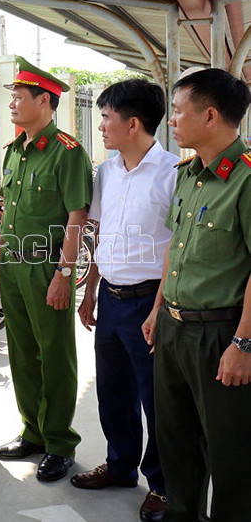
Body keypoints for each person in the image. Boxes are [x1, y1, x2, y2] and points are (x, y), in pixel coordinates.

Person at [141, 68, 251, 521]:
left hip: (222, 334)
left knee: (230, 452)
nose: (172, 121)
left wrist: (243, 343)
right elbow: (175, 246)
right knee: (176, 440)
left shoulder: (246, 178)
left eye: (179, 111)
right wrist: (156, 310)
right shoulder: (188, 173)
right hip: (173, 328)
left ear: (209, 116)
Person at [74, 79, 176, 522]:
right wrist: (90, 289)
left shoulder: (174, 174)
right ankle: (120, 467)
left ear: (132, 123)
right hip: (112, 300)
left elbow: (178, 250)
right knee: (113, 392)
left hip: (150, 301)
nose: (100, 126)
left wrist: (157, 308)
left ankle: (163, 485)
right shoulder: (106, 172)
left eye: (106, 117)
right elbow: (99, 234)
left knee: (157, 399)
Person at [0, 56, 93, 482]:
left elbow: (77, 218)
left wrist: (64, 274)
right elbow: (9, 213)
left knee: (55, 355)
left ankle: (59, 442)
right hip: (13, 267)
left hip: (47, 268)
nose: (12, 103)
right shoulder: (15, 151)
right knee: (21, 353)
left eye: (19, 97)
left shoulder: (67, 153)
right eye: (11, 96)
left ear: (44, 101)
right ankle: (32, 431)